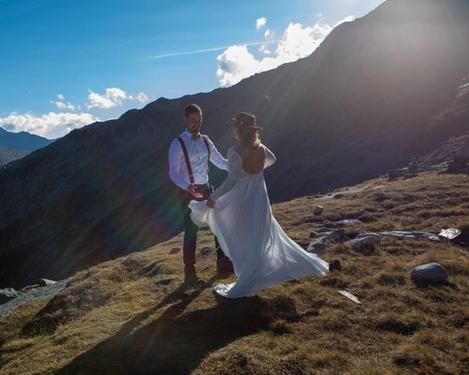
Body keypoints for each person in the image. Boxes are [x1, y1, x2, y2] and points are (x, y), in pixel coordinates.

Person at [189, 112, 329, 298]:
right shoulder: (261, 149)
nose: (232, 130)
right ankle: (258, 271)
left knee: (242, 233)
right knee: (259, 232)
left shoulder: (235, 152)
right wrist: (257, 171)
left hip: (243, 197)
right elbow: (273, 159)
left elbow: (231, 182)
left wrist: (213, 197)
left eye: (234, 127)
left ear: (239, 130)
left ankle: (250, 274)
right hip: (260, 196)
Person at [168, 103, 234, 285]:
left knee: (219, 223)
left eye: (199, 120)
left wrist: (236, 165)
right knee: (191, 231)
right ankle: (190, 272)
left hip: (206, 188)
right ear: (186, 120)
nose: (197, 123)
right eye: (193, 120)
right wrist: (187, 186)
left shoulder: (206, 140)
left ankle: (223, 262)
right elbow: (173, 172)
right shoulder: (177, 143)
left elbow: (219, 161)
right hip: (188, 192)